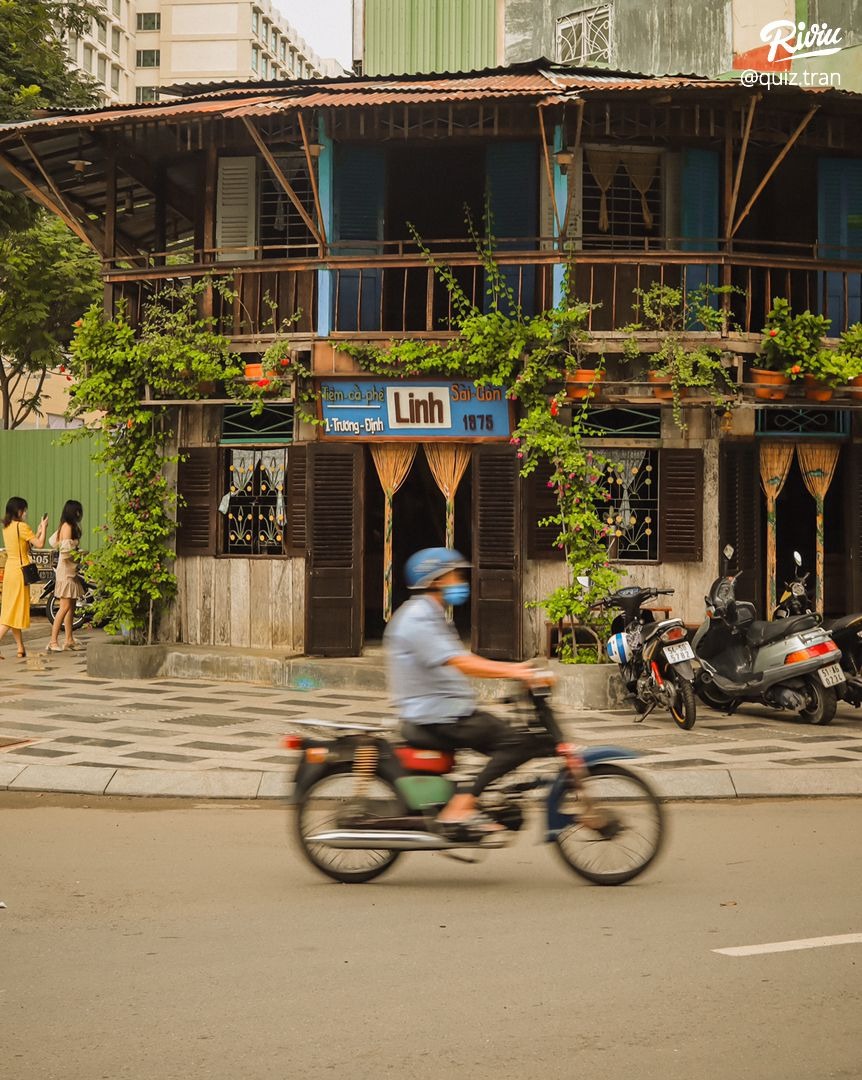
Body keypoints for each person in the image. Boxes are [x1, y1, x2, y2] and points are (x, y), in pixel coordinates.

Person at [384, 547, 552, 834]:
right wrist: (515, 670)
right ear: (436, 580)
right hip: (438, 715)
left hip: (446, 710)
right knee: (517, 743)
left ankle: (473, 800)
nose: (461, 581)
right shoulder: (418, 618)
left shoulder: (432, 614)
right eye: (455, 575)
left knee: (508, 741)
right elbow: (460, 662)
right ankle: (461, 805)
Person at [0, 497, 48, 660]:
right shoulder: (22, 526)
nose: (26, 513)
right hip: (21, 572)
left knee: (11, 608)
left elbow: (26, 545)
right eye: (24, 510)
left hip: (10, 570)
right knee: (13, 610)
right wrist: (45, 529)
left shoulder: (7, 527)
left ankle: (21, 648)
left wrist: (39, 530)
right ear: (19, 511)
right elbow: (39, 545)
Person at [46, 500, 86, 653]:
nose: (79, 514)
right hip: (66, 572)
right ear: (73, 512)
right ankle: (53, 641)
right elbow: (66, 552)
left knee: (71, 607)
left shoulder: (67, 526)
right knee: (63, 608)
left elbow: (54, 542)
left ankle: (69, 639)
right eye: (77, 511)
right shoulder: (67, 527)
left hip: (71, 571)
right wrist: (78, 554)